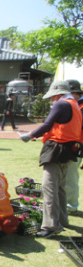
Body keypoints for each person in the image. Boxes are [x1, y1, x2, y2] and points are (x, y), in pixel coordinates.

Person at [20, 80, 83, 238]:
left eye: (52, 97)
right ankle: (63, 219)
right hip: (70, 150)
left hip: (57, 150)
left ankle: (50, 226)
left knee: (50, 188)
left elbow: (47, 124)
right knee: (60, 187)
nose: (51, 100)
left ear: (58, 94)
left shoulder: (61, 104)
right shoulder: (75, 105)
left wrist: (30, 135)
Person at [64, 79, 83, 214]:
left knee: (71, 176)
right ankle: (67, 202)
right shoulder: (75, 105)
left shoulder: (80, 107)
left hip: (77, 146)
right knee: (66, 175)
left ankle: (71, 204)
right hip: (69, 145)